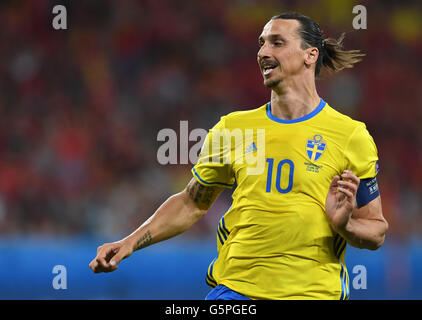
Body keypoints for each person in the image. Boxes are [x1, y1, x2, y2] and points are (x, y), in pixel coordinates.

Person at [89, 12, 388, 300]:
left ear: (310, 55)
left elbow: (375, 230)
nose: (263, 52)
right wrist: (128, 243)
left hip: (312, 293)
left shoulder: (350, 135)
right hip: (235, 290)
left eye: (277, 42)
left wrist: (344, 225)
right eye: (261, 43)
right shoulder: (234, 129)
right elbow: (191, 202)